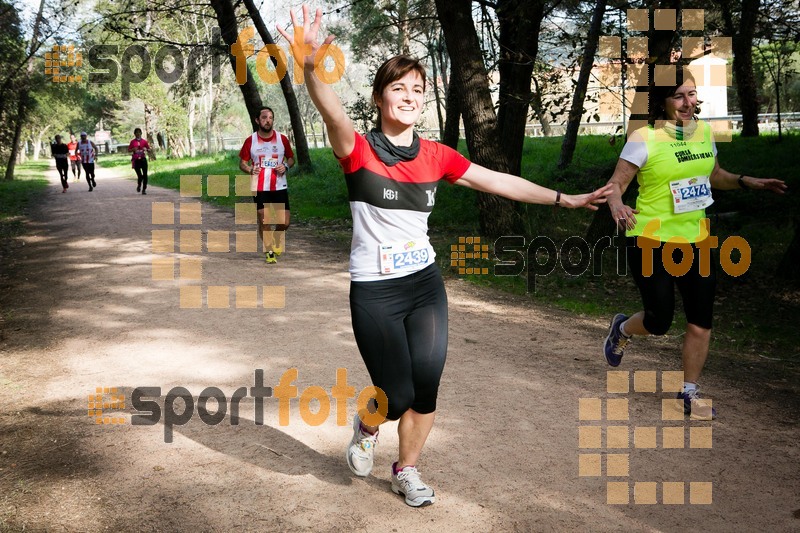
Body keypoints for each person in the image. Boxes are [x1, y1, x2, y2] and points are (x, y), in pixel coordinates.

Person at [277, 5, 613, 507]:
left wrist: (567, 199)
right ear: (380, 97)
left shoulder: (437, 156)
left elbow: (499, 181)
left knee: (427, 389)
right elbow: (331, 109)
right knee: (397, 392)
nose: (409, 97)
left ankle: (406, 470)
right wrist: (308, 69)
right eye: (399, 88)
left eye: (418, 89)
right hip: (375, 289)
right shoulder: (357, 149)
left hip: (424, 284)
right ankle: (368, 426)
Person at [602, 65, 787, 420]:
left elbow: (715, 176)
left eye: (692, 94)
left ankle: (688, 392)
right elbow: (616, 185)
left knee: (700, 321)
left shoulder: (703, 132)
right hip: (650, 239)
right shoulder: (644, 139)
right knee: (659, 321)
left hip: (695, 240)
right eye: (679, 96)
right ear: (663, 102)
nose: (688, 103)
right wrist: (617, 204)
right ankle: (622, 328)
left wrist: (748, 181)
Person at [238, 106, 295, 264]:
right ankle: (269, 251)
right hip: (259, 186)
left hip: (279, 185)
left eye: (270, 117)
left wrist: (286, 166)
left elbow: (291, 158)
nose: (267, 120)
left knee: (285, 222)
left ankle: (276, 240)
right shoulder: (251, 141)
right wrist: (250, 169)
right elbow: (242, 163)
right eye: (264, 117)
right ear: (257, 120)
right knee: (264, 219)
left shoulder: (282, 139)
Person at [128, 128, 153, 195]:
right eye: (136, 132)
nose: (138, 134)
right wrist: (133, 149)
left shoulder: (144, 141)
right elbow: (129, 150)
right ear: (135, 134)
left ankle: (144, 189)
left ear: (141, 133)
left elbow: (149, 149)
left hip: (143, 159)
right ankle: (139, 185)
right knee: (139, 175)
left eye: (139, 132)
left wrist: (147, 149)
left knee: (145, 175)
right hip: (136, 160)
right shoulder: (132, 142)